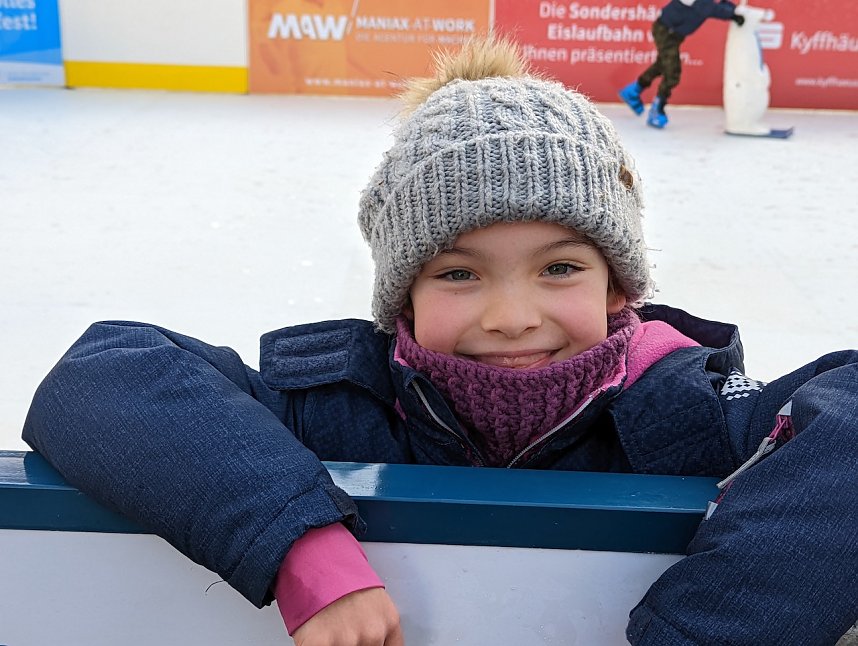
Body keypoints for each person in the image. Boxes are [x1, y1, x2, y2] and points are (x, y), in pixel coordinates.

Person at [22, 35, 858, 645]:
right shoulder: (338, 405)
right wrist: (300, 546)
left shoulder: (694, 413)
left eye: (560, 267)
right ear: (403, 299)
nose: (510, 315)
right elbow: (105, 372)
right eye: (459, 275)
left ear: (619, 287)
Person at [619, 0, 745, 128]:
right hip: (666, 32)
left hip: (671, 33)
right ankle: (657, 109)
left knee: (662, 65)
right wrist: (733, 14)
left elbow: (717, 7)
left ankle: (634, 90)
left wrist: (733, 12)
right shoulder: (704, 4)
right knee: (673, 72)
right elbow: (711, 8)